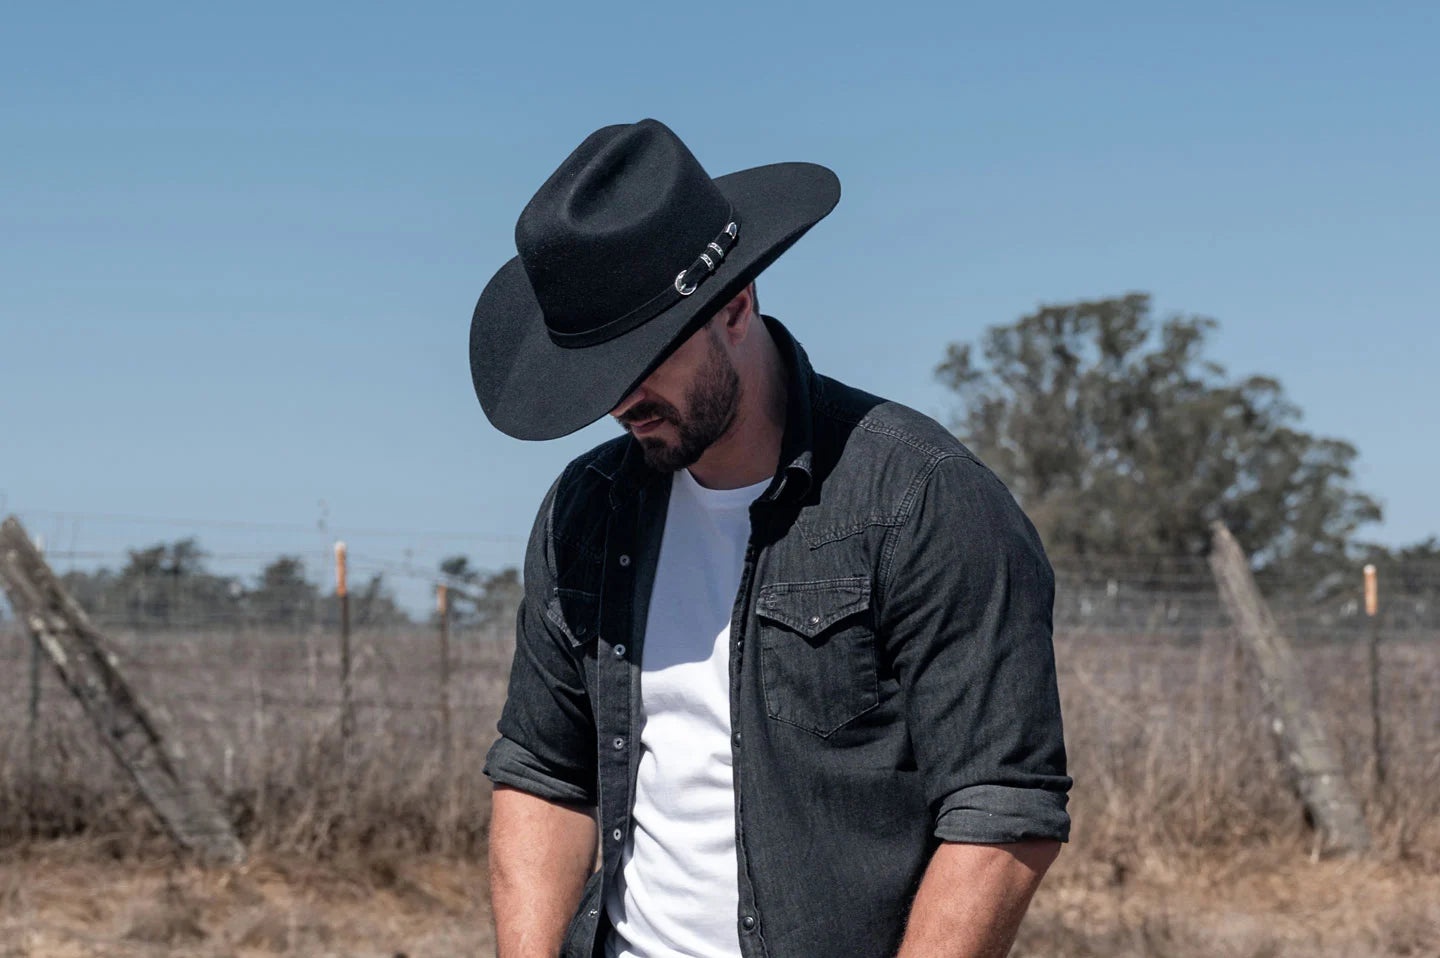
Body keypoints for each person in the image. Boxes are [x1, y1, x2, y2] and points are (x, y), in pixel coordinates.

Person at [470, 119, 1071, 958]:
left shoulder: (920, 499)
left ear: (737, 305)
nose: (619, 403)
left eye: (641, 360)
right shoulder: (588, 507)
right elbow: (544, 773)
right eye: (596, 377)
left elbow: (1002, 811)